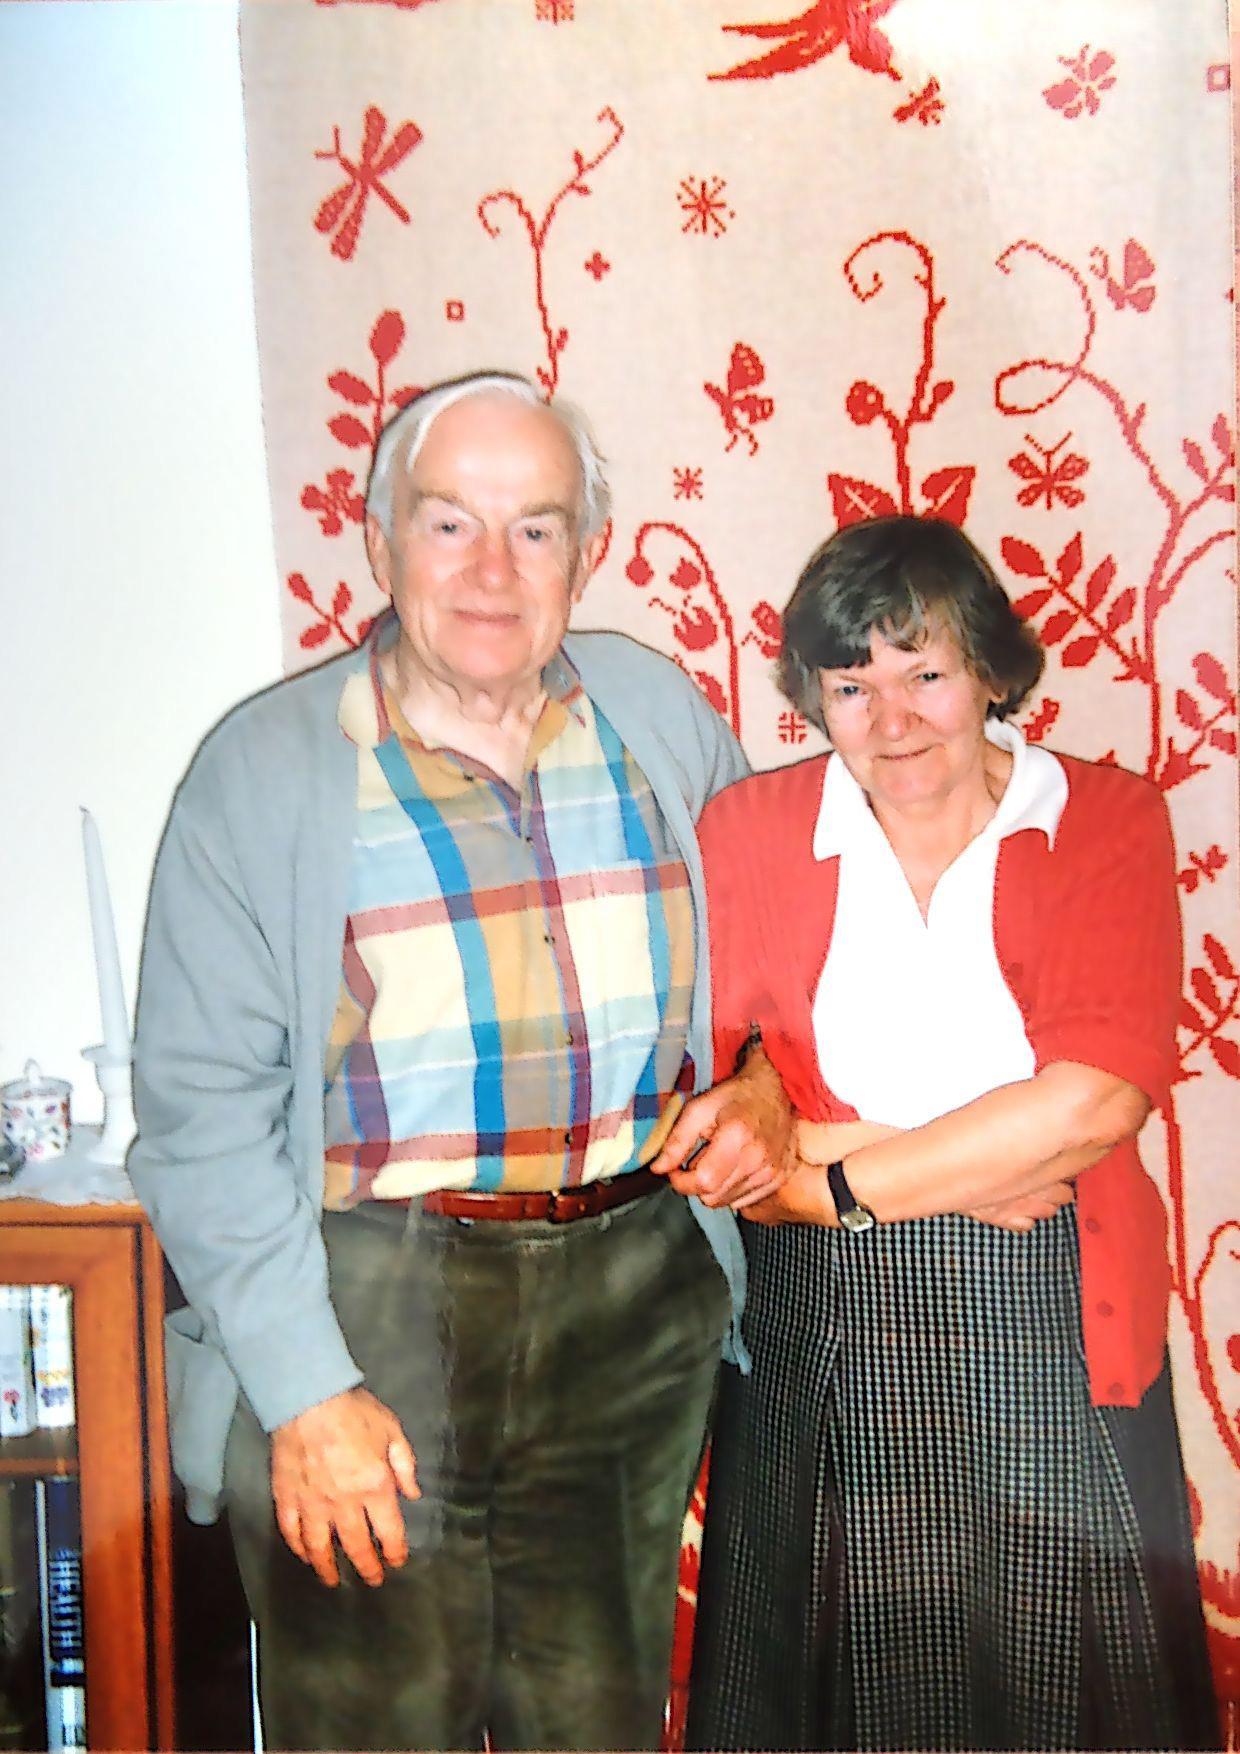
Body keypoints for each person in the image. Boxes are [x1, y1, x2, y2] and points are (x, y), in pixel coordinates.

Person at [127, 370, 790, 1753]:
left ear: (587, 552)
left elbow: (782, 956)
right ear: (380, 539)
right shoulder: (261, 772)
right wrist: (304, 1385)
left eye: (536, 528)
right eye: (449, 524)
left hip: (629, 1302)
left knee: (596, 1722)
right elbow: (201, 1120)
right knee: (376, 1725)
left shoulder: (658, 718)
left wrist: (765, 1075)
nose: (493, 570)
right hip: (370, 1299)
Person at [656, 515, 1219, 1751]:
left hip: (1049, 1319)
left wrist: (834, 1176)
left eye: (926, 672)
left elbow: (1096, 1100)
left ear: (991, 670)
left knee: (1061, 1691)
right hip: (822, 1334)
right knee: (841, 1698)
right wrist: (959, 1161)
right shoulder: (751, 832)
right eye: (850, 684)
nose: (891, 717)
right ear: (814, 695)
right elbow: (736, 1102)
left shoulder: (1103, 819)